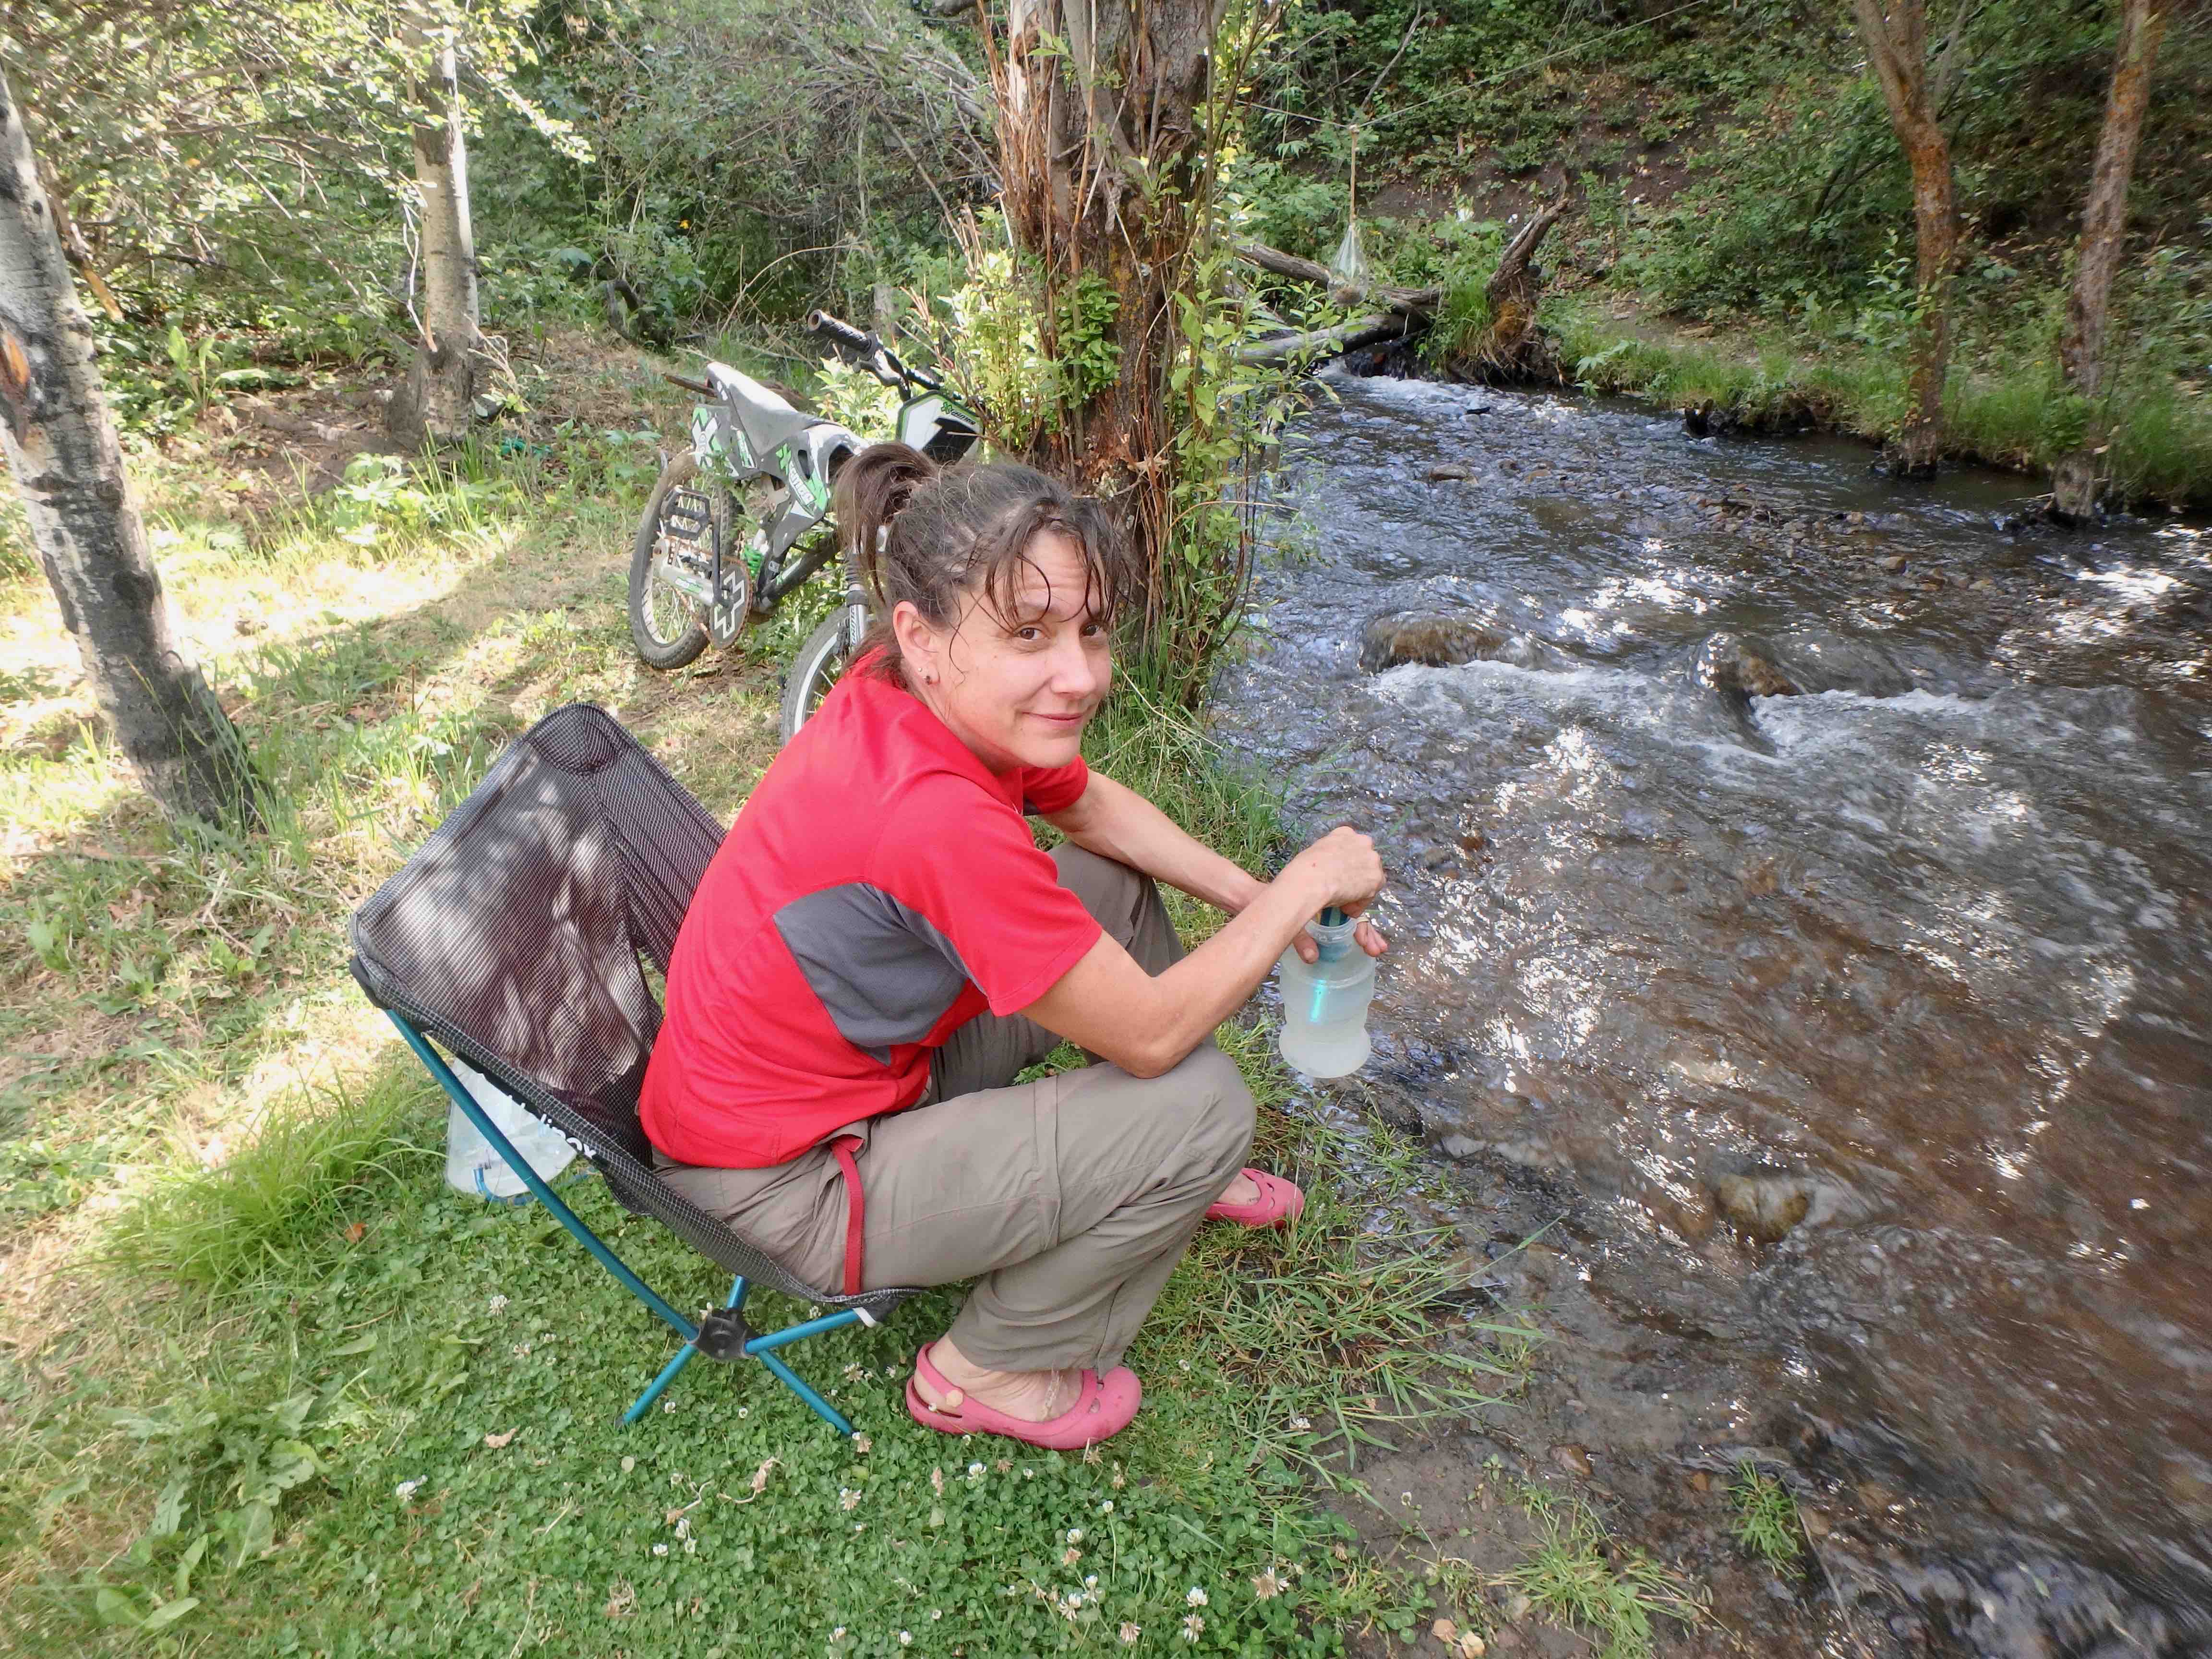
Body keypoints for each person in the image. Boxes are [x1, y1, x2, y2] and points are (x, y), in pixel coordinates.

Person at [639, 443, 1387, 1449]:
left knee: (1108, 887)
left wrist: (1259, 901)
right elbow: (1154, 1035)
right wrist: (1304, 883)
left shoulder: (915, 694)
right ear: (924, 636)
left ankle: (1168, 1165)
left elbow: (1094, 811)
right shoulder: (931, 815)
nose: (1078, 676)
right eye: (1029, 633)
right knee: (1206, 1105)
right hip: (785, 1180)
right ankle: (987, 1366)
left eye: (1090, 629)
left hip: (851, 1071)